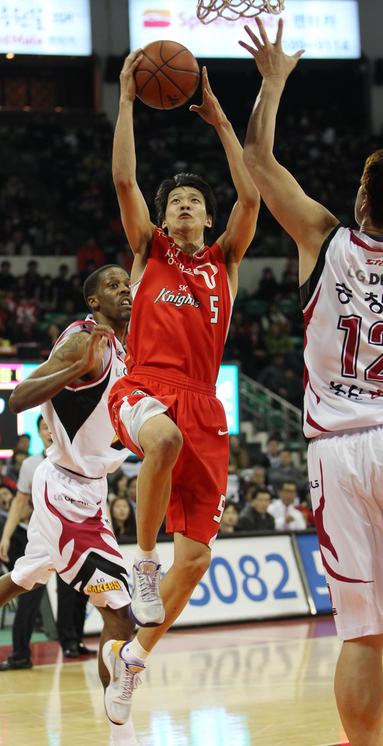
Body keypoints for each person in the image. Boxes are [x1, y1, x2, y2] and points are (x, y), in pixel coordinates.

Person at [0, 266, 144, 746]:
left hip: (88, 489)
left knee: (24, 577)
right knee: (121, 613)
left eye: (128, 283)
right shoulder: (84, 341)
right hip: (65, 491)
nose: (125, 290)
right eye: (113, 286)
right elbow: (18, 397)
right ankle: (122, 737)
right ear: (94, 302)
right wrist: (76, 371)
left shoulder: (126, 345)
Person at [104, 49, 260, 723]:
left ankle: (132, 662)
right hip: (143, 388)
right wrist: (127, 101)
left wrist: (222, 123)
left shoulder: (224, 258)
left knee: (194, 562)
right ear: (164, 220)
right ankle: (141, 562)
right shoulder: (149, 250)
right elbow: (123, 181)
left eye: (195, 200)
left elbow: (251, 194)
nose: (186, 206)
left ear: (206, 215)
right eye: (177, 201)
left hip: (204, 403)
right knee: (160, 440)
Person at [241, 18, 383, 746]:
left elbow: (257, 158)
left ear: (362, 202)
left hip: (338, 451)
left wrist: (271, 82)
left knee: (361, 632)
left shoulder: (322, 237)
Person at [0, 414, 95, 669]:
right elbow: (19, 502)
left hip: (73, 535)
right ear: (38, 432)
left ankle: (73, 641)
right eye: (44, 427)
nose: (49, 432)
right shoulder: (30, 464)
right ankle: (20, 652)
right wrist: (5, 536)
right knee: (28, 592)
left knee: (75, 591)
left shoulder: (77, 458)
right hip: (43, 538)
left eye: (53, 427)